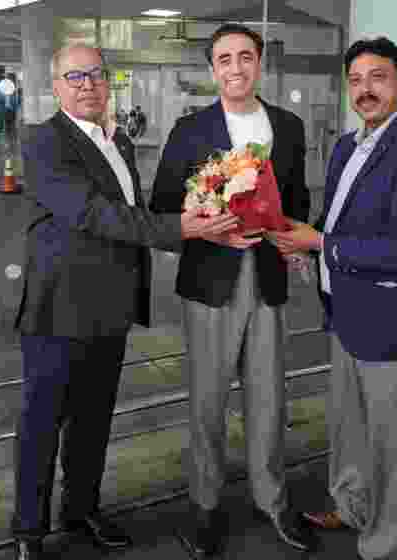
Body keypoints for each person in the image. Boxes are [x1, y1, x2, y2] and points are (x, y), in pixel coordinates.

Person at [11, 43, 240, 560]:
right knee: (42, 424)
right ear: (57, 87)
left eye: (96, 75)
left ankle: (81, 510)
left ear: (108, 81)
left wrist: (207, 205)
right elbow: (93, 213)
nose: (88, 84)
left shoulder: (122, 144)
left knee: (93, 421)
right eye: (75, 76)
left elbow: (133, 209)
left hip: (109, 309)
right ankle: (28, 532)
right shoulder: (44, 141)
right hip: (60, 308)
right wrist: (179, 228)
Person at [270, 36, 397, 560]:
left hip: (396, 323)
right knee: (350, 429)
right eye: (356, 80)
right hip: (347, 314)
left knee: (394, 447)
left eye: (378, 77)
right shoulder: (350, 146)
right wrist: (307, 244)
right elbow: (339, 221)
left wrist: (322, 243)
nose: (365, 89)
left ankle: (385, 546)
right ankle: (352, 508)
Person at [148, 23, 316, 558]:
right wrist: (206, 220)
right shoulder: (191, 130)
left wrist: (291, 242)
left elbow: (298, 199)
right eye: (225, 59)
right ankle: (206, 505)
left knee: (270, 399)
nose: (236, 68)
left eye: (246, 57)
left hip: (266, 275)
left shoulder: (287, 126)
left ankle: (274, 499)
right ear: (212, 68)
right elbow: (163, 204)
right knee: (207, 402)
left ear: (259, 63)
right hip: (210, 279)